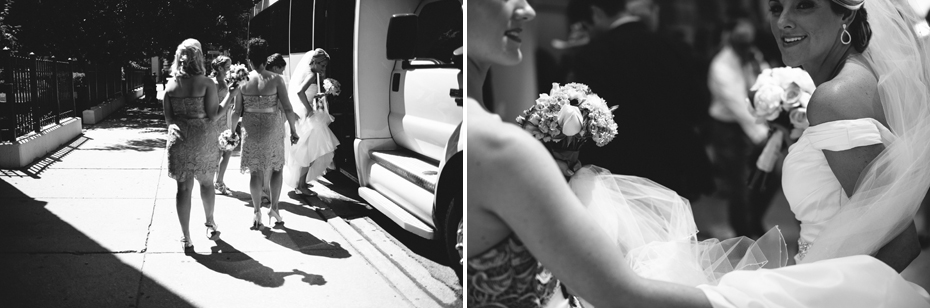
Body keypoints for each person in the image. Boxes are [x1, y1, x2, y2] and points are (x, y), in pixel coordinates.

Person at [467, 0, 930, 307]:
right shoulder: (861, 82)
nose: (783, 19)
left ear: (846, 14)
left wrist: (809, 291)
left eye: (803, 4)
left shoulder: (835, 97)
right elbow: (692, 103)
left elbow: (897, 236)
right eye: (776, 6)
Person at [571, 0, 713, 202]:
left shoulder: (591, 55)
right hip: (673, 164)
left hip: (620, 171)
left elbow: (592, 123)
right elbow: (698, 106)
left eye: (587, 25)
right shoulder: (672, 46)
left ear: (597, 13)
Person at [706, 15, 774, 239]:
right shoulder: (720, 65)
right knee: (740, 185)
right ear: (730, 37)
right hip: (730, 130)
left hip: (757, 124)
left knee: (769, 177)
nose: (747, 44)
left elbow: (765, 84)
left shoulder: (753, 56)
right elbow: (737, 104)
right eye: (742, 39)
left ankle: (754, 220)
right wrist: (762, 134)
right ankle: (743, 234)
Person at [163, 38, 233, 250]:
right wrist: (231, 94)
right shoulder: (206, 83)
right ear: (199, 58)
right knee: (206, 183)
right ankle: (210, 223)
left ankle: (186, 237)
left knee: (183, 188)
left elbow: (168, 119)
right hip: (202, 140)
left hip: (179, 140)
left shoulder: (171, 85)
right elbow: (214, 115)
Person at [227, 38, 300, 229]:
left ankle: (257, 211)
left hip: (250, 128)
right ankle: (274, 208)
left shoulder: (243, 80)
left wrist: (231, 132)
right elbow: (288, 109)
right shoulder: (276, 79)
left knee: (255, 171)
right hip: (272, 128)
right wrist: (293, 130)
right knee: (276, 168)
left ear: (249, 59)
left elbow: (236, 111)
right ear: (265, 59)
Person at [284, 49, 339, 197]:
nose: (323, 69)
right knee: (309, 150)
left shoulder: (309, 73)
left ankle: (301, 183)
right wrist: (309, 109)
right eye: (322, 65)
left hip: (303, 112)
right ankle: (301, 185)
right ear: (315, 62)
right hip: (307, 115)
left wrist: (320, 95)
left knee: (308, 149)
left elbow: (305, 92)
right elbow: (300, 92)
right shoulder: (312, 74)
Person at [210, 55, 237, 196]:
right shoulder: (214, 83)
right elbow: (213, 105)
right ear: (219, 68)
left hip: (226, 119)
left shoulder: (225, 81)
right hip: (217, 122)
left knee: (225, 151)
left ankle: (219, 180)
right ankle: (219, 181)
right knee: (225, 151)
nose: (230, 68)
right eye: (227, 66)